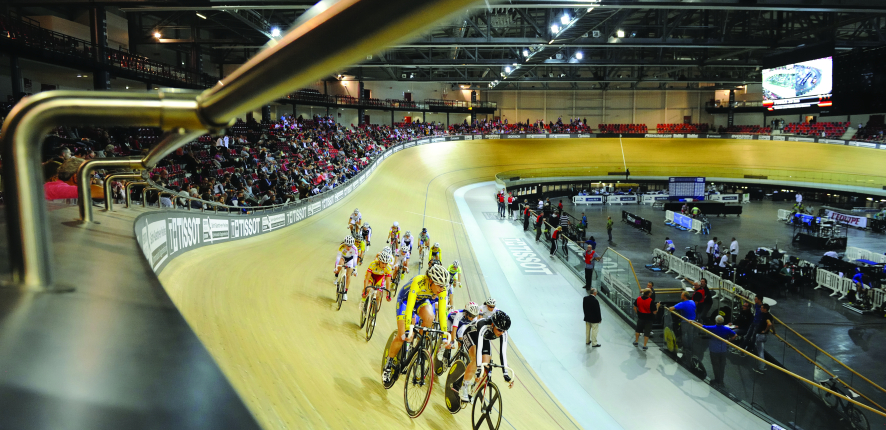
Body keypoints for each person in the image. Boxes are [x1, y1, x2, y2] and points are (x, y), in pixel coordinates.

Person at [382, 264, 452, 384]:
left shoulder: (442, 290)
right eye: (439, 285)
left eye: (443, 286)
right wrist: (408, 327)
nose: (442, 289)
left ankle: (416, 347)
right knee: (402, 335)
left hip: (422, 301)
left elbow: (441, 314)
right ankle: (388, 365)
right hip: (405, 300)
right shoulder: (419, 281)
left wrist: (445, 337)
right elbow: (409, 307)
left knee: (430, 317)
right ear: (431, 280)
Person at [459, 310, 513, 402]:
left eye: (504, 330)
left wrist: (505, 374)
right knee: (476, 361)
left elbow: (503, 352)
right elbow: (479, 348)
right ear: (493, 324)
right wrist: (479, 367)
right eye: (499, 329)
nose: (501, 333)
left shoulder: (503, 332)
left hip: (484, 338)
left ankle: (473, 388)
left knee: (487, 367)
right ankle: (464, 386)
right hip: (471, 334)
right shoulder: (483, 325)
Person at [694, 315, 737, 386]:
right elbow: (735, 335)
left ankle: (717, 379)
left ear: (715, 321)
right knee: (722, 365)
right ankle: (721, 380)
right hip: (723, 349)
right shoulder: (726, 329)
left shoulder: (713, 328)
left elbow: (701, 326)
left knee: (715, 365)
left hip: (714, 349)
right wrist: (729, 341)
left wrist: (692, 321)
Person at [667, 292, 697, 358]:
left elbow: (671, 308)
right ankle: (690, 348)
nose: (680, 296)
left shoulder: (682, 304)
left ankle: (684, 348)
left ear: (685, 297)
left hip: (685, 321)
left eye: (682, 295)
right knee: (690, 334)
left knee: (684, 335)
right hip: (693, 321)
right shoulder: (692, 302)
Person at [334, 235, 359, 300]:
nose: (348, 247)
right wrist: (336, 267)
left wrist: (355, 269)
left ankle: (345, 293)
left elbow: (355, 260)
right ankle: (336, 276)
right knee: (340, 263)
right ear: (344, 244)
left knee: (348, 276)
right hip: (342, 257)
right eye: (347, 245)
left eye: (350, 246)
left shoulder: (355, 249)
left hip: (350, 259)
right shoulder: (341, 246)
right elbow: (338, 258)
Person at [754, 304, 773, 374]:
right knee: (761, 350)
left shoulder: (765, 316)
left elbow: (769, 324)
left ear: (765, 309)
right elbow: (772, 323)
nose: (760, 309)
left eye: (762, 308)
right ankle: (763, 365)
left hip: (761, 335)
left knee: (760, 352)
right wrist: (773, 331)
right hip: (764, 336)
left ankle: (761, 368)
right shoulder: (769, 315)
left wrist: (765, 330)